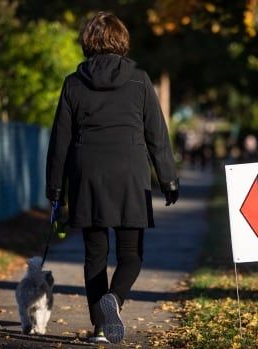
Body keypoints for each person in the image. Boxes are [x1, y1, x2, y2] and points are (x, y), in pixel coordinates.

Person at [45, 12, 179, 344]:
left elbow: (60, 139)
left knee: (95, 255)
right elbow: (156, 134)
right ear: (122, 40)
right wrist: (168, 179)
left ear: (87, 41)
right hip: (131, 174)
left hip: (87, 175)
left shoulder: (73, 83)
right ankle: (114, 300)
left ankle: (101, 327)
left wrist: (55, 187)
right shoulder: (139, 79)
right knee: (131, 254)